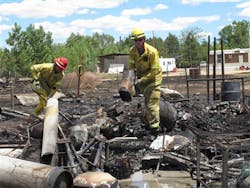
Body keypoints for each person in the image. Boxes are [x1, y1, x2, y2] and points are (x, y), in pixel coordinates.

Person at [129, 28, 162, 133]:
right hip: (142, 78)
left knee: (152, 103)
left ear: (144, 39)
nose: (137, 42)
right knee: (146, 102)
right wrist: (130, 79)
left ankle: (154, 128)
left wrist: (142, 80)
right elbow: (131, 67)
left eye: (140, 40)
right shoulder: (132, 51)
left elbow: (155, 71)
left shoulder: (152, 52)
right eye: (135, 40)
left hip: (154, 79)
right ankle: (149, 122)